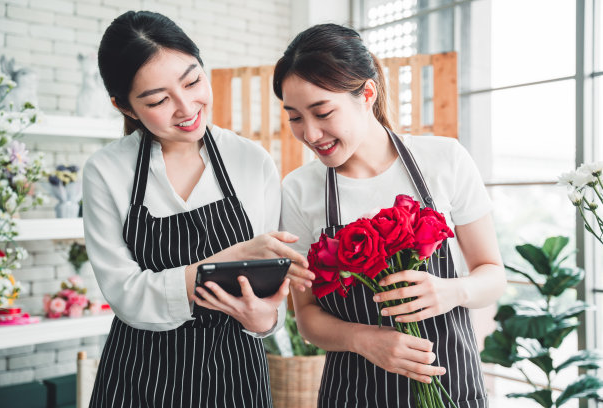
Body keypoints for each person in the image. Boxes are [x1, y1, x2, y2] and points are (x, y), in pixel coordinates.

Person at [82, 11, 313, 407]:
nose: (186, 107)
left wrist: (265, 319)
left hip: (236, 372)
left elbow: (270, 291)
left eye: (192, 82)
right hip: (141, 373)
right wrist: (227, 259)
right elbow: (127, 294)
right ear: (125, 107)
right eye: (158, 100)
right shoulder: (107, 171)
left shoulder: (250, 160)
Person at [274, 23, 506, 407]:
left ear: (367, 93)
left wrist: (453, 290)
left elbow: (493, 274)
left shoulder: (444, 160)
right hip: (354, 392)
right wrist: (363, 340)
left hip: (452, 387)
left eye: (322, 112)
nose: (311, 134)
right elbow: (308, 316)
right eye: (295, 117)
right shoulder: (299, 191)